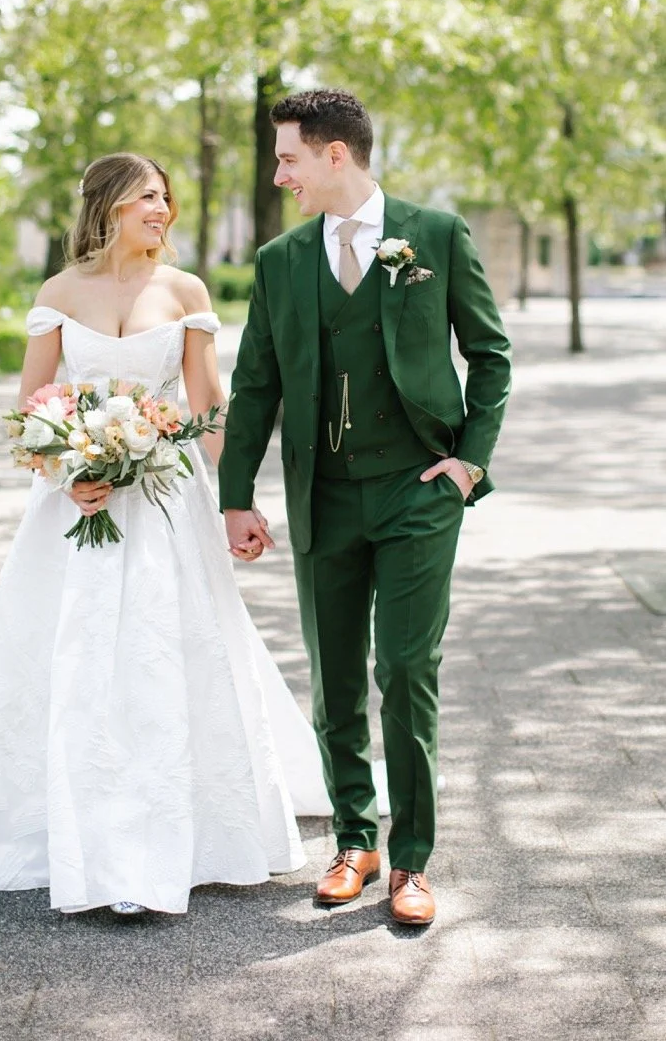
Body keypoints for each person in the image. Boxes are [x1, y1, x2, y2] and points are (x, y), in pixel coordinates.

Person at [0, 152, 332, 917]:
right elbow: (31, 414)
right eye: (146, 198)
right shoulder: (59, 293)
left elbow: (206, 411)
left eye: (166, 198)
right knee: (75, 657)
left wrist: (240, 499)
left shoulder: (184, 291)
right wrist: (64, 471)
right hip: (78, 508)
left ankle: (170, 834)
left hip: (168, 504)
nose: (162, 210)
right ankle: (80, 834)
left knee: (163, 654)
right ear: (107, 206)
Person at [220, 90, 512, 925]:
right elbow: (254, 386)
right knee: (336, 679)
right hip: (322, 494)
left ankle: (412, 861)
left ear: (335, 155)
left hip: (417, 489)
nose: (280, 176)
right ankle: (355, 839)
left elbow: (488, 354)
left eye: (288, 160)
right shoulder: (279, 261)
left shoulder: (436, 236)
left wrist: (468, 463)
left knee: (406, 672)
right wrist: (234, 498)